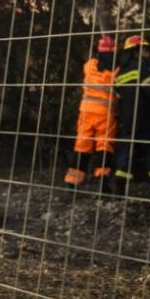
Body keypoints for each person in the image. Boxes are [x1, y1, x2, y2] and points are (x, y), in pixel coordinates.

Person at [63, 35, 118, 190]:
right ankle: (102, 181)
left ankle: (72, 182)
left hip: (86, 111)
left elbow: (91, 63)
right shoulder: (115, 71)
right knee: (104, 147)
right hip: (105, 114)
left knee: (82, 145)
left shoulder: (89, 65)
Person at [113, 34, 150, 184]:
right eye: (145, 49)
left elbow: (118, 98)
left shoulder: (120, 72)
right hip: (145, 118)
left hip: (128, 120)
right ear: (136, 51)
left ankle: (119, 186)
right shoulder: (142, 67)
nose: (148, 53)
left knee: (126, 152)